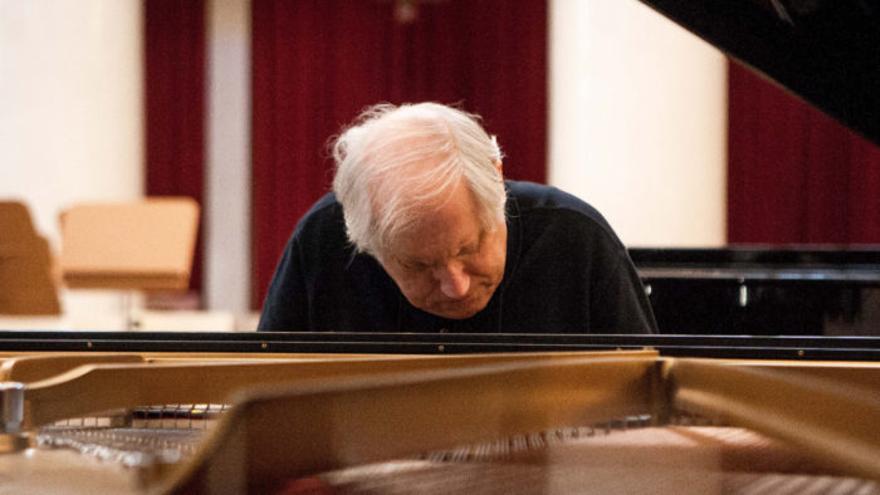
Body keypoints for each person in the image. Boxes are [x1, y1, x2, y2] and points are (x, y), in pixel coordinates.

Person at [258, 102, 657, 334]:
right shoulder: (324, 238)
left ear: (497, 185)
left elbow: (650, 408)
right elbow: (266, 403)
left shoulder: (575, 237)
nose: (456, 286)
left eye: (469, 247)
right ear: (365, 244)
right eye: (418, 265)